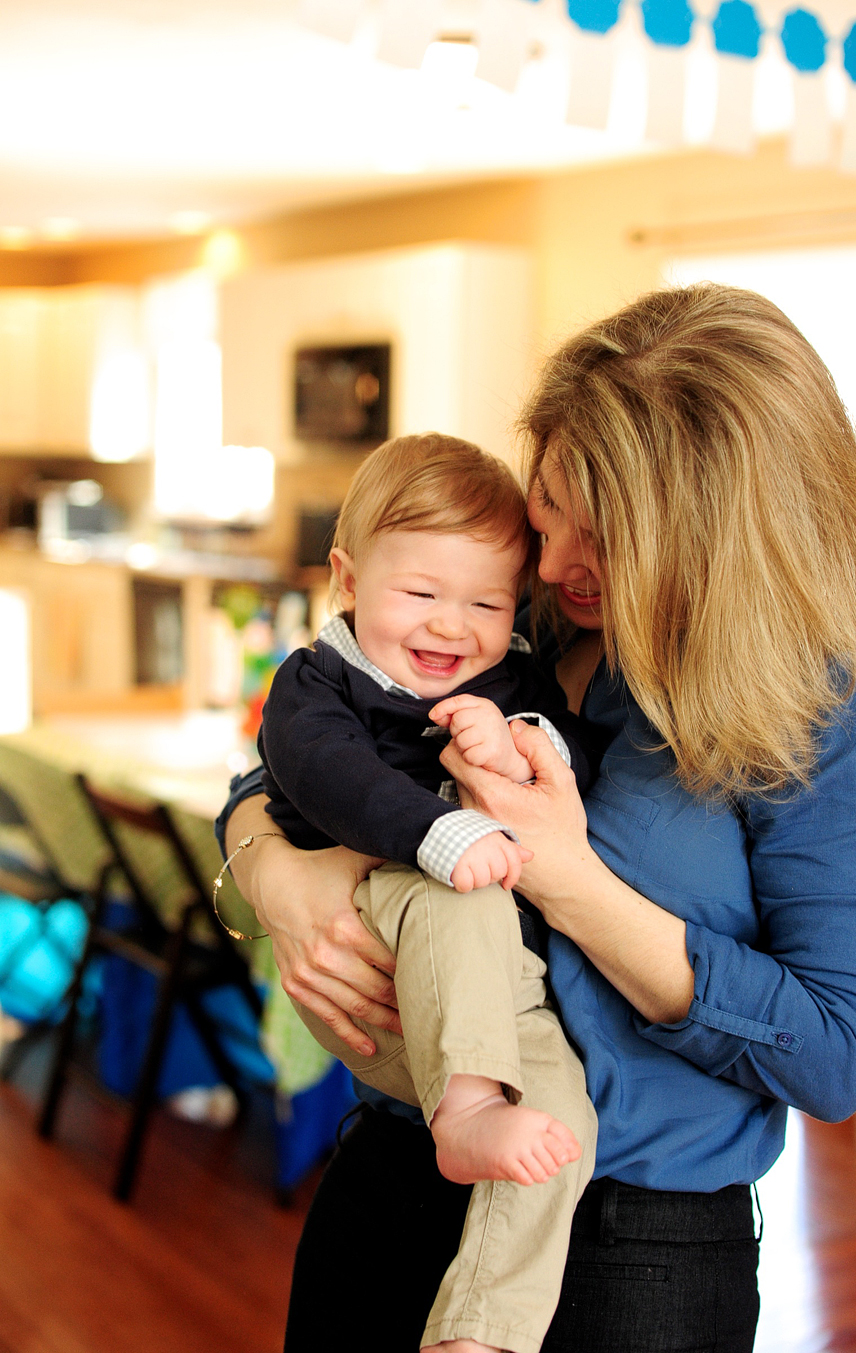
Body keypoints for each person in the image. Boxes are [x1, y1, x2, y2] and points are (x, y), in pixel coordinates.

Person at [218, 283, 856, 1353]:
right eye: (550, 513)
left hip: (636, 1256)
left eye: (609, 535)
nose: (559, 564)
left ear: (725, 535)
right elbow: (306, 751)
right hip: (394, 1174)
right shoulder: (519, 616)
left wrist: (564, 877)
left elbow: (833, 1056)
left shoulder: (836, 708)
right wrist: (270, 876)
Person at [256, 432, 599, 1353]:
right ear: (347, 578)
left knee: (565, 1117)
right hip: (390, 916)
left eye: (486, 602)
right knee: (460, 892)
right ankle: (468, 1110)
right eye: (421, 594)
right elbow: (324, 775)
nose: (453, 627)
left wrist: (521, 739)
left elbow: (575, 752)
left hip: (500, 989)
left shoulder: (510, 677)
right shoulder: (319, 683)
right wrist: (440, 832)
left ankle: (481, 1332)